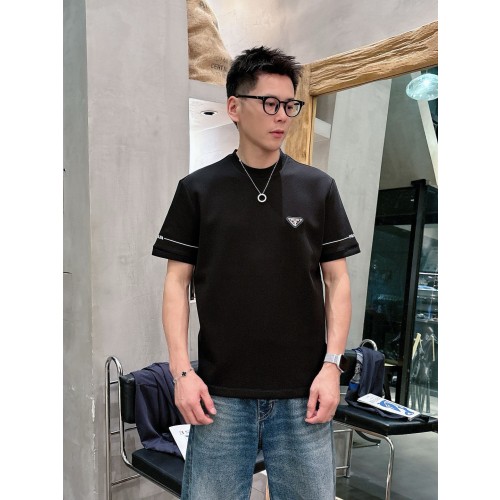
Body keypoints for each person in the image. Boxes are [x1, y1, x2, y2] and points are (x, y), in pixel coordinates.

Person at [152, 46, 360, 500]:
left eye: (290, 105)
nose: (282, 115)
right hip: (220, 394)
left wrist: (332, 366)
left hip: (304, 393)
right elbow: (176, 283)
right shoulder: (198, 190)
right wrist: (181, 372)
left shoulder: (318, 188)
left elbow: (338, 280)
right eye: (269, 103)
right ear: (234, 107)